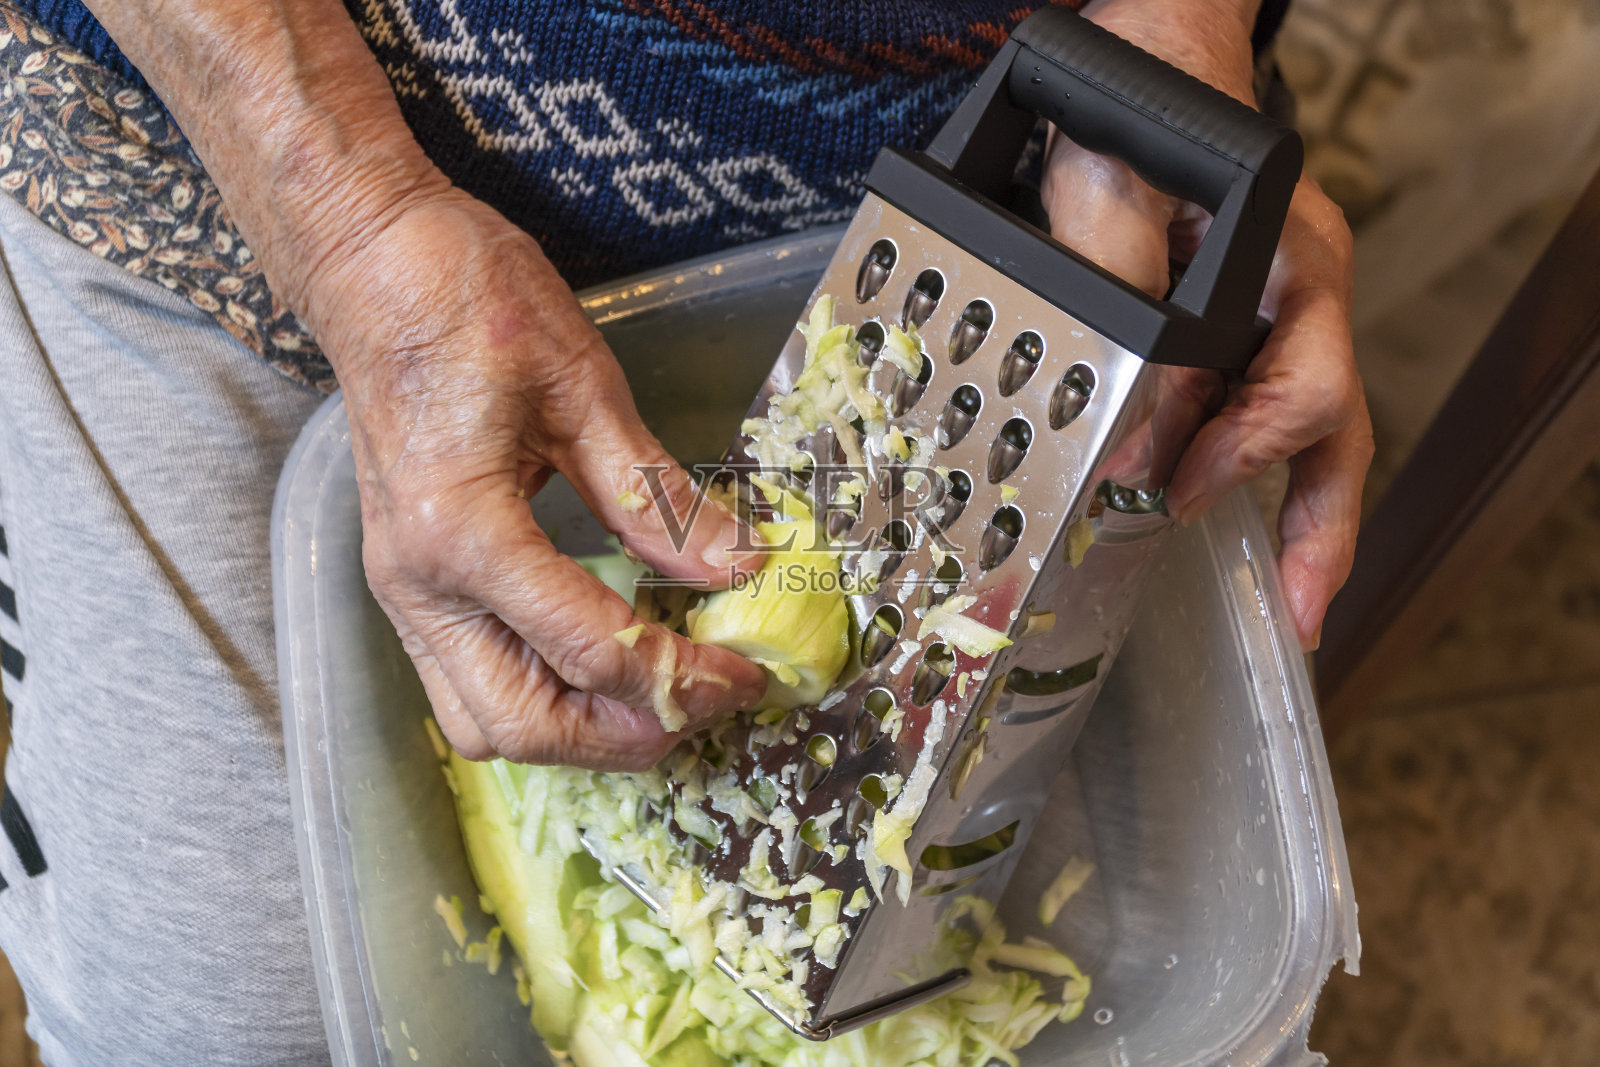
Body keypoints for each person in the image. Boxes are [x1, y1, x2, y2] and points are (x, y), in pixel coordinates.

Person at [0, 0, 1371, 1062]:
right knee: (222, 1031)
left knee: (1192, 996)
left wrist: (1173, 48)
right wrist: (352, 229)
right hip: (248, 154)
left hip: (993, 198)